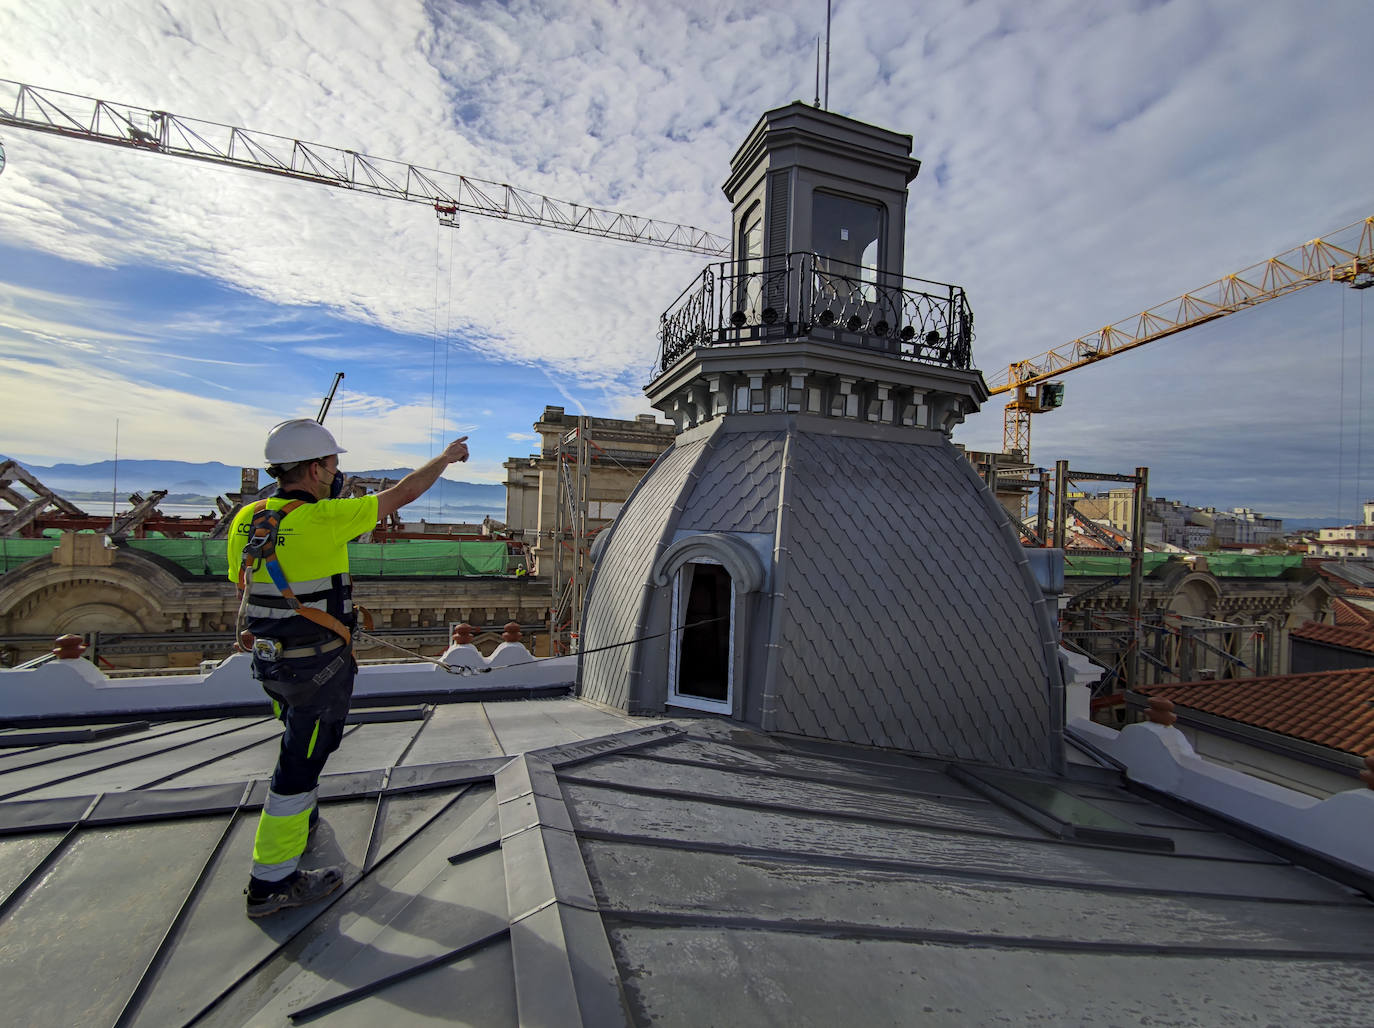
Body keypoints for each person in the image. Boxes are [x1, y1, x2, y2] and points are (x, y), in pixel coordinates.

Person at [228, 418, 468, 918]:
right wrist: (445, 459)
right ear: (316, 468)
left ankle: (302, 817)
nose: (337, 473)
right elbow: (404, 492)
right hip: (316, 669)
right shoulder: (326, 518)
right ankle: (271, 881)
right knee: (298, 766)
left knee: (296, 738)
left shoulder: (248, 518)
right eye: (334, 464)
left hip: (271, 664)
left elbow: (243, 584)